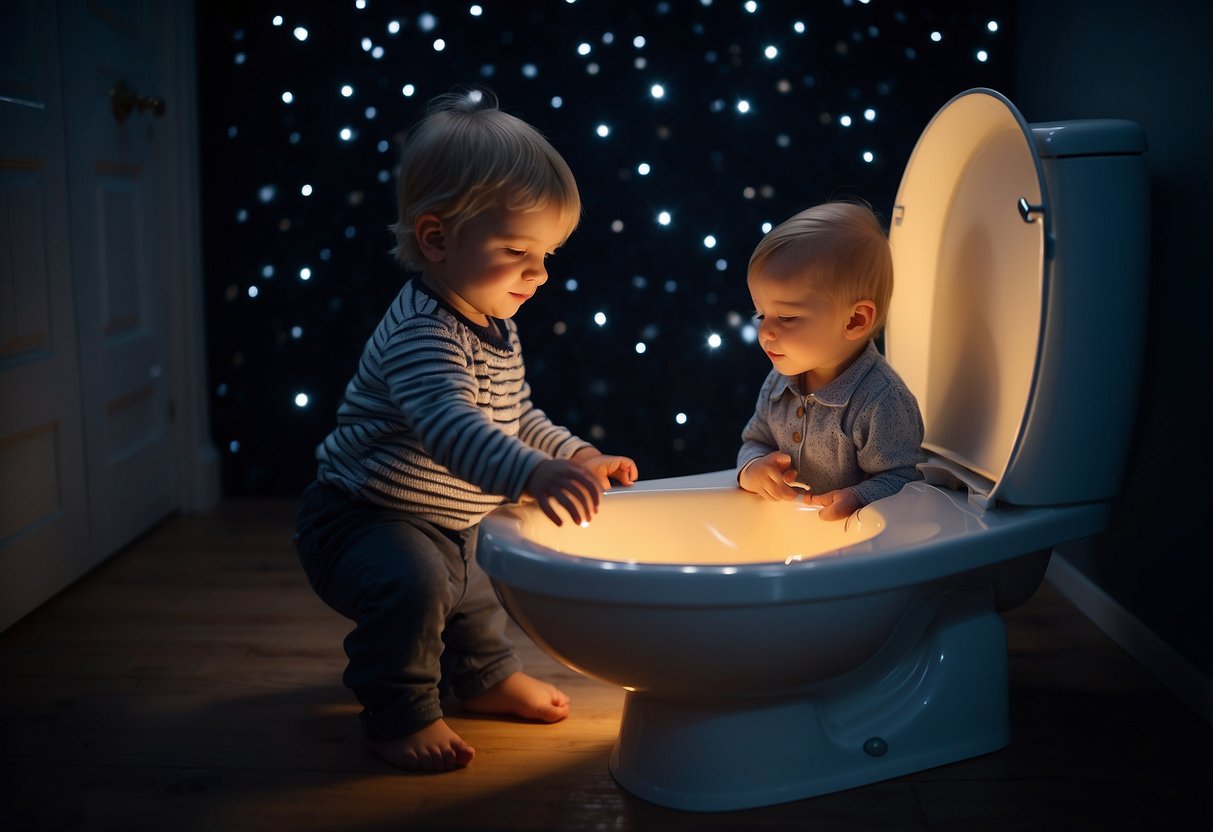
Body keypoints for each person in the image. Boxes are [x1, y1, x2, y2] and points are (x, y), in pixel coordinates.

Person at [293, 89, 638, 773]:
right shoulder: (423, 333)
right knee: (417, 588)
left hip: (443, 516)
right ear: (436, 238)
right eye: (517, 251)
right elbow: (451, 426)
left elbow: (516, 416)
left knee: (473, 589)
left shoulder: (493, 322)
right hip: (364, 516)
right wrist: (531, 476)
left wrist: (574, 453)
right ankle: (399, 712)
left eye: (547, 254)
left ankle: (480, 677)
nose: (538, 273)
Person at [737, 200, 924, 520]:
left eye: (787, 317)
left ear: (854, 321)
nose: (765, 331)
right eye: (761, 313)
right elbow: (755, 440)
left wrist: (859, 495)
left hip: (852, 544)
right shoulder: (779, 382)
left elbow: (905, 478)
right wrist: (753, 468)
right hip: (788, 528)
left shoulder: (880, 399)